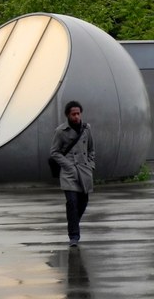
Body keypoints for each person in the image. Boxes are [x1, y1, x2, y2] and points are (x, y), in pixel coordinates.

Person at [50, 100, 95, 247]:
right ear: (68, 115)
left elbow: (91, 149)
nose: (76, 116)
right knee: (72, 203)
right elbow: (54, 153)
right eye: (73, 114)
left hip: (84, 171)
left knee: (83, 202)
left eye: (78, 113)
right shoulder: (60, 131)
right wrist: (68, 165)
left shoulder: (86, 129)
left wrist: (90, 165)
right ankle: (74, 236)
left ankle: (73, 223)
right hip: (69, 173)